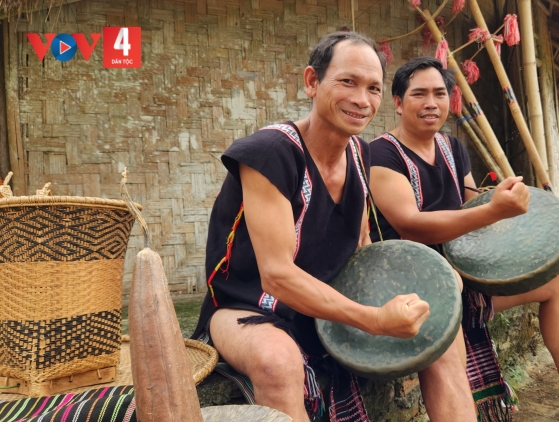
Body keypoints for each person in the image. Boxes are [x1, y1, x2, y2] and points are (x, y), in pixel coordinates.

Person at [191, 32, 476, 422]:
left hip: (326, 302)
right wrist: (374, 319)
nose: (362, 100)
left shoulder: (360, 154)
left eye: (373, 88)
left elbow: (361, 245)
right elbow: (277, 276)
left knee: (438, 330)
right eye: (348, 82)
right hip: (246, 306)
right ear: (312, 81)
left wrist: (431, 280)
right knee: (277, 362)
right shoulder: (269, 153)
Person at [368, 56, 559, 422]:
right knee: (447, 286)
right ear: (399, 103)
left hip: (461, 276)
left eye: (439, 93)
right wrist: (492, 210)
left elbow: (473, 217)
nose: (431, 103)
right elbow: (410, 225)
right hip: (412, 284)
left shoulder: (453, 149)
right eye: (419, 94)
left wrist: (497, 204)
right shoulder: (380, 153)